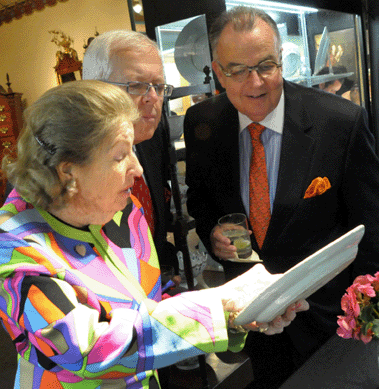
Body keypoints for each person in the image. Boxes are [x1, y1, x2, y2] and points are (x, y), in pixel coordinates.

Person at [0, 80, 308, 388]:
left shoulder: (124, 211)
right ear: (69, 172)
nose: (137, 168)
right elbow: (87, 350)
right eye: (120, 156)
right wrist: (219, 304)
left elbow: (148, 303)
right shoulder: (13, 246)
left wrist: (238, 313)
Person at [184, 5, 379, 388]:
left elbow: (371, 226)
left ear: (282, 61)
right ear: (218, 71)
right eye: (238, 70)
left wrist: (366, 316)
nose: (255, 83)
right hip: (254, 316)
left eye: (266, 65)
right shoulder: (201, 122)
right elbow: (201, 199)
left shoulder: (339, 122)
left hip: (329, 317)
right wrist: (212, 234)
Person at [82, 30, 180, 282]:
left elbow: (154, 217)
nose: (154, 98)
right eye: (137, 86)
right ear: (96, 88)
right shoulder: (63, 158)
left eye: (158, 86)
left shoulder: (150, 136)